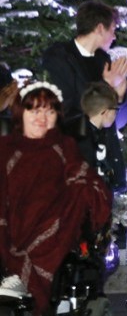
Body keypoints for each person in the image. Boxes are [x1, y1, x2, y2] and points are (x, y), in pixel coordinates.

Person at [0, 82, 112, 315]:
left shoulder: (64, 146)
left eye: (49, 111)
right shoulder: (5, 147)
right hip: (11, 212)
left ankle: (25, 275)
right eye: (35, 110)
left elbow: (85, 178)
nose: (42, 117)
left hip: (52, 215)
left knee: (68, 198)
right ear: (22, 113)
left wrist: (79, 189)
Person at [41, 0, 127, 192]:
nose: (114, 36)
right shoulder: (59, 57)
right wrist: (107, 87)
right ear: (99, 28)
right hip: (72, 158)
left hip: (102, 159)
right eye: (112, 29)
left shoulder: (103, 60)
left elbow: (119, 120)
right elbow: (64, 109)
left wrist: (119, 95)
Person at [78, 82, 121, 190]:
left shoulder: (100, 134)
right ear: (106, 112)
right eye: (116, 110)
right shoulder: (84, 141)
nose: (116, 114)